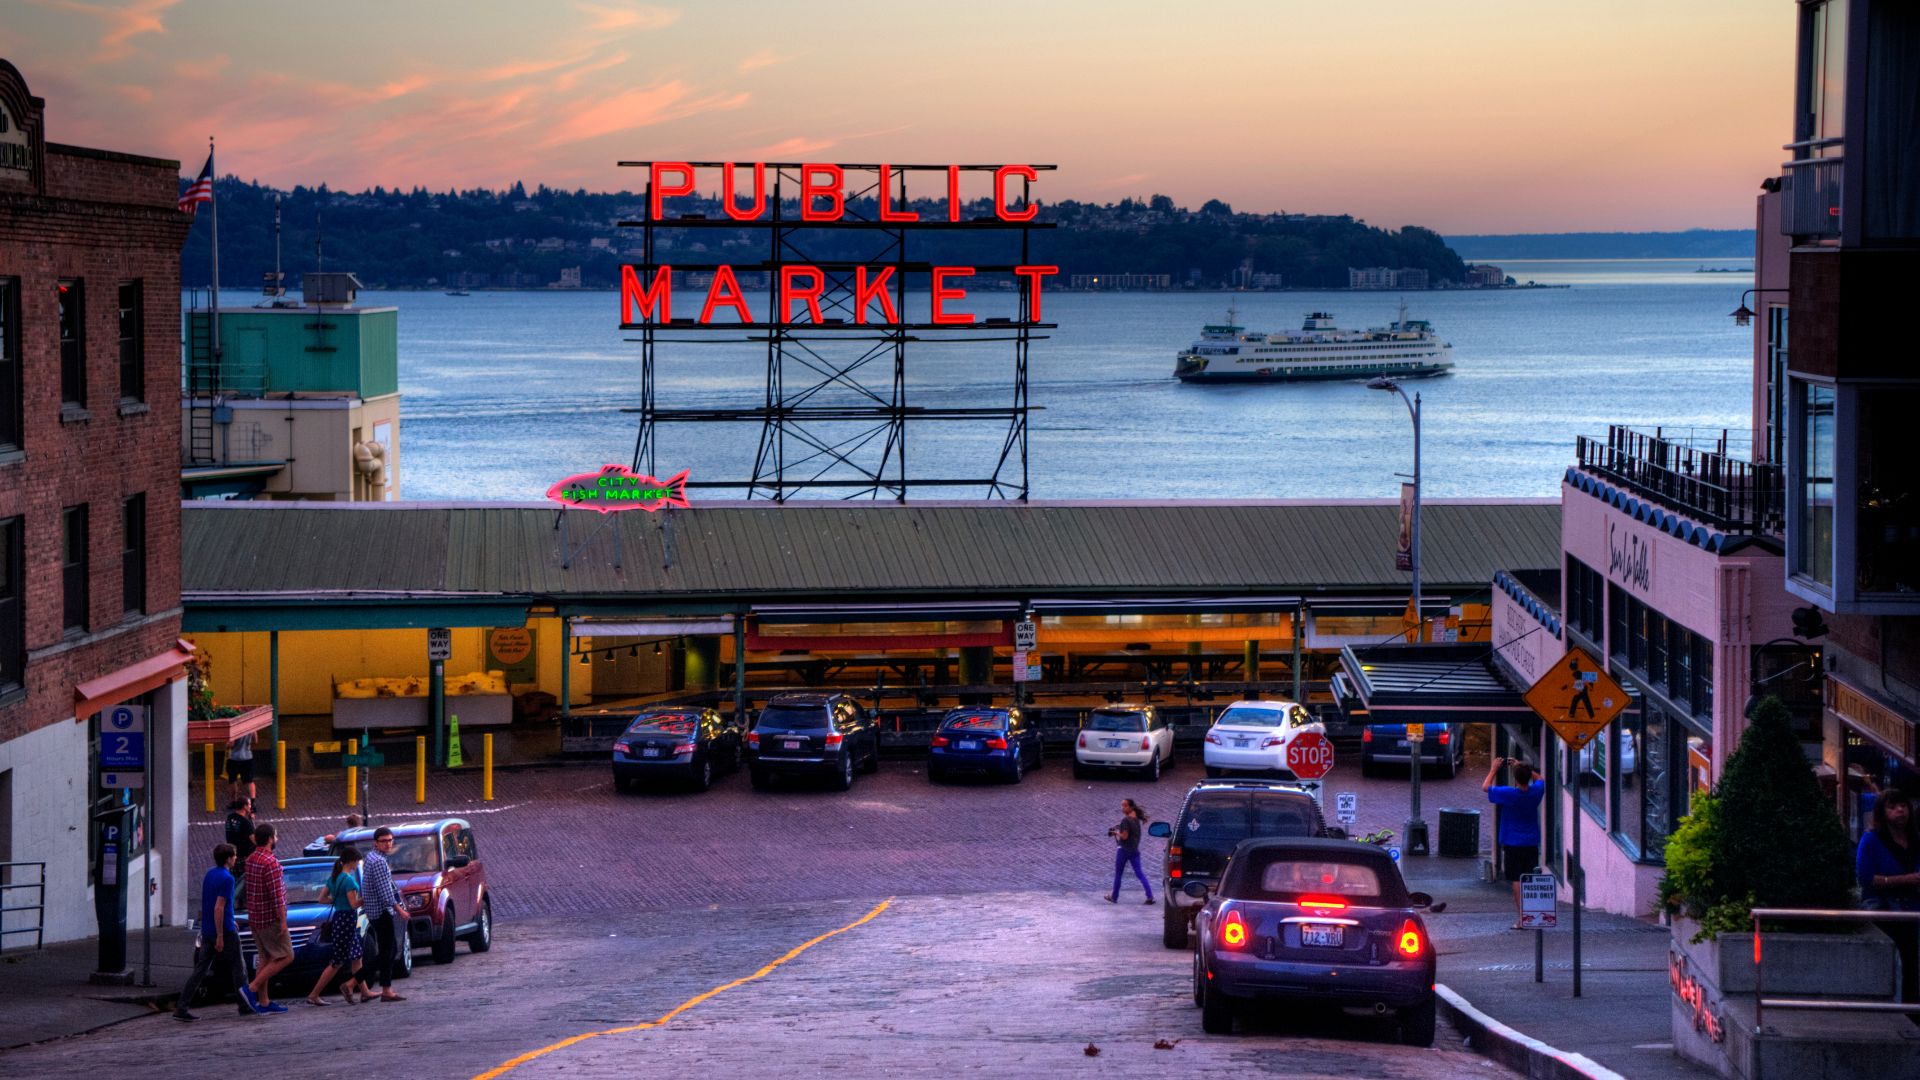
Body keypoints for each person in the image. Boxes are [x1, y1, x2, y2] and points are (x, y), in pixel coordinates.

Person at [174, 844, 253, 1021]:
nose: (235, 859)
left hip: (208, 928)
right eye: (233, 856)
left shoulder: (210, 874)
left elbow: (211, 903)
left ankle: (182, 1006)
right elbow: (219, 907)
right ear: (227, 859)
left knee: (200, 970)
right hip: (224, 930)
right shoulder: (228, 879)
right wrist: (221, 935)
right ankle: (245, 1005)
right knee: (239, 969)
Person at [1484, 756, 1546, 929]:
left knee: (1516, 880)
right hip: (1531, 841)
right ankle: (1534, 915)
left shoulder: (1509, 794)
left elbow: (1485, 787)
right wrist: (1521, 766)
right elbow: (1540, 779)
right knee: (1529, 878)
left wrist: (1494, 769)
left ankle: (1522, 918)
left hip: (1512, 842)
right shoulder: (1535, 792)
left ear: (1515, 779)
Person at [240, 823, 293, 1013]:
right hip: (270, 918)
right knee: (286, 955)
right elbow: (277, 896)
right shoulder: (271, 863)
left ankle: (264, 1002)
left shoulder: (251, 859)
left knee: (265, 958)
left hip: (255, 916)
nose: (276, 839)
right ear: (270, 839)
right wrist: (283, 922)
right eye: (275, 836)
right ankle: (251, 989)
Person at [306, 846, 367, 1007]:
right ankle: (314, 994)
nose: (357, 865)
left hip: (339, 918)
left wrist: (337, 901)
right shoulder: (348, 880)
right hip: (347, 920)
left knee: (357, 955)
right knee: (337, 961)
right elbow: (354, 904)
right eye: (357, 862)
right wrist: (366, 898)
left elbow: (321, 899)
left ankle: (364, 991)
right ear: (353, 861)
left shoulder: (334, 878)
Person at [360, 827, 407, 1002]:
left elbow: (388, 885)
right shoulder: (378, 861)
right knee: (389, 950)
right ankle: (382, 989)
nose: (388, 844)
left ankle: (357, 982)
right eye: (384, 841)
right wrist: (399, 909)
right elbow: (384, 891)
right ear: (376, 842)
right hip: (380, 911)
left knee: (389, 950)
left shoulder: (374, 858)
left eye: (390, 840)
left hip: (377, 910)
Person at [1858, 788, 1920, 911]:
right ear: (1882, 813)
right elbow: (1865, 878)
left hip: (1913, 908)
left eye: (1903, 806)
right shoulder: (1870, 840)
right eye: (1892, 807)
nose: (1900, 810)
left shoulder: (1916, 838)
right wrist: (1906, 879)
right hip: (1883, 910)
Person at [1106, 799, 1154, 905]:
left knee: (1118, 874)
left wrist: (1115, 833)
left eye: (1125, 806)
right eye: (1122, 806)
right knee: (1140, 873)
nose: (1122, 808)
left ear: (1131, 807)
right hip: (1134, 851)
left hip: (1123, 850)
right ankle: (1150, 895)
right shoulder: (1136, 819)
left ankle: (1114, 897)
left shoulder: (1125, 820)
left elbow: (1125, 836)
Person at [224, 798, 256, 866]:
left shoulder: (229, 817)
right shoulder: (245, 822)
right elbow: (255, 840)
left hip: (232, 852)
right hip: (243, 855)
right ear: (245, 806)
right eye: (249, 804)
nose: (251, 806)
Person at [226, 733, 255, 804]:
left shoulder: (235, 728)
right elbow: (256, 740)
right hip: (248, 757)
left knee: (232, 780)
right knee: (250, 781)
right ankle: (252, 802)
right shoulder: (251, 727)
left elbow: (231, 744)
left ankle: (234, 801)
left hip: (234, 758)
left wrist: (227, 745)